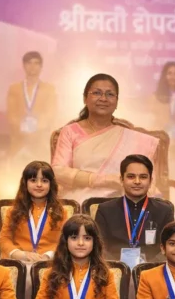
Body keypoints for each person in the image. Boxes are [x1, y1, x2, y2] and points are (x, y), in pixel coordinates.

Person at [51, 73, 159, 204]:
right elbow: (58, 171)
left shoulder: (133, 138)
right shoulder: (70, 131)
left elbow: (146, 178)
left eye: (110, 94)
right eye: (97, 93)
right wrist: (104, 180)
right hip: (81, 202)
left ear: (117, 101)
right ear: (85, 98)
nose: (103, 98)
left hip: (123, 201)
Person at [95, 154, 175, 264]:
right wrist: (118, 266)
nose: (137, 181)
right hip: (114, 269)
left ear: (150, 181)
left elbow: (169, 246)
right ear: (121, 179)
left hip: (153, 269)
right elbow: (99, 246)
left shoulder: (164, 211)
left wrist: (149, 266)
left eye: (143, 177)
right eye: (131, 176)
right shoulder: (105, 210)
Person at [0, 161, 66, 261]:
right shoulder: (13, 211)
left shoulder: (61, 212)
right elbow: (4, 239)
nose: (39, 185)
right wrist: (19, 254)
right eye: (33, 180)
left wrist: (48, 256)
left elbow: (65, 241)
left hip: (49, 263)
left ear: (51, 184)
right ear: (25, 183)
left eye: (44, 181)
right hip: (20, 262)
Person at [6, 51, 58, 166]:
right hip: (19, 144)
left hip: (40, 144)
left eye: (36, 63)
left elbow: (50, 115)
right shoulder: (14, 88)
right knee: (16, 175)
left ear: (41, 67)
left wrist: (35, 131)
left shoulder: (49, 89)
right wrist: (23, 131)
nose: (32, 66)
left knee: (40, 175)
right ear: (24, 65)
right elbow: (11, 115)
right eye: (29, 63)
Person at [149, 61, 175, 142]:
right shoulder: (155, 97)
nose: (173, 77)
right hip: (161, 141)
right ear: (164, 76)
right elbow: (153, 121)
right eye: (169, 73)